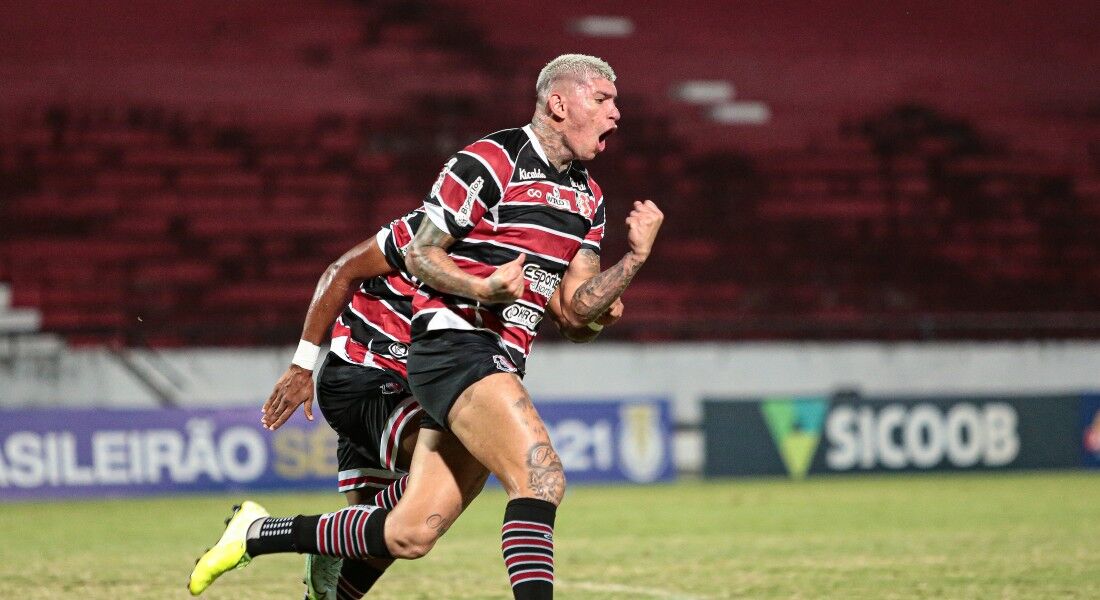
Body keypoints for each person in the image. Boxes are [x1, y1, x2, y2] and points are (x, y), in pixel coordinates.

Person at [188, 53, 660, 600]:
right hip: (413, 357)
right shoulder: (487, 165)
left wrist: (633, 262)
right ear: (559, 103)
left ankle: (258, 534)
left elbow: (577, 315)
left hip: (474, 364)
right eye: (603, 100)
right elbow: (404, 256)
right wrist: (303, 364)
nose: (616, 113)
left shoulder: (589, 200)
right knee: (539, 477)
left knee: (408, 532)